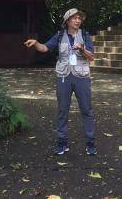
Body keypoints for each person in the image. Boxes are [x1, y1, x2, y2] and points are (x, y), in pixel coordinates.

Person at [24, 8, 96, 156]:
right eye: (74, 18)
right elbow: (44, 48)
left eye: (79, 18)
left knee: (86, 110)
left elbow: (91, 57)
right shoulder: (59, 35)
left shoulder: (85, 35)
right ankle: (62, 142)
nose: (77, 20)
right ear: (67, 21)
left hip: (82, 77)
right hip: (63, 76)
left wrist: (82, 49)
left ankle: (90, 143)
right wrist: (36, 43)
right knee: (62, 110)